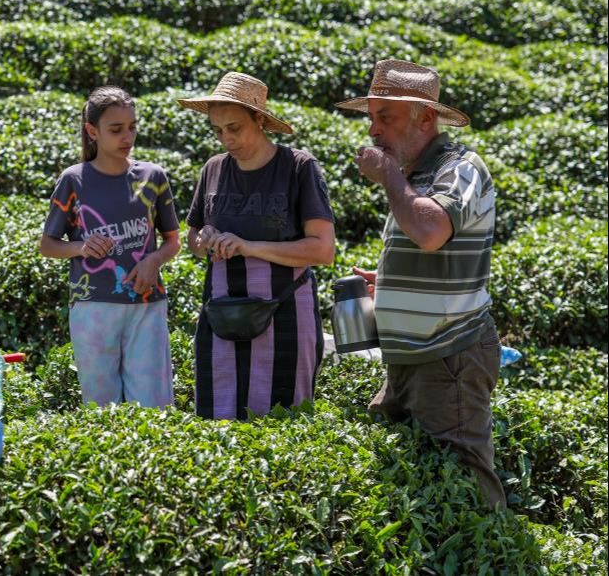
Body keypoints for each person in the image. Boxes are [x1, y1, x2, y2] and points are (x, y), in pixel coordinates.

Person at [337, 59, 506, 510]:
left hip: (449, 356)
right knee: (394, 460)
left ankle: (491, 552)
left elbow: (431, 232)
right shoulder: (414, 177)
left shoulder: (461, 168)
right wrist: (388, 284)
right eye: (370, 117)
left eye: (385, 117)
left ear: (426, 118)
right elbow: (430, 246)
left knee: (469, 485)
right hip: (410, 356)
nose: (373, 130)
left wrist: (390, 176)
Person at [180, 72, 336, 420]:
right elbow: (192, 239)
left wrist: (249, 246)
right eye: (218, 130)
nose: (226, 139)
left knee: (283, 420)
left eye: (234, 127)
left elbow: (323, 249)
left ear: (261, 119)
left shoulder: (298, 167)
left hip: (285, 313)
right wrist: (204, 240)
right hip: (222, 312)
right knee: (217, 417)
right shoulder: (213, 169)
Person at [40, 86, 181, 408]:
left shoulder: (153, 177)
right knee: (101, 407)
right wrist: (81, 246)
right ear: (93, 131)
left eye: (132, 127)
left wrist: (154, 261)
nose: (126, 136)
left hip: (147, 304)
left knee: (153, 406)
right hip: (93, 306)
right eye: (116, 129)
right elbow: (48, 245)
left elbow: (173, 241)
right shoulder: (73, 180)